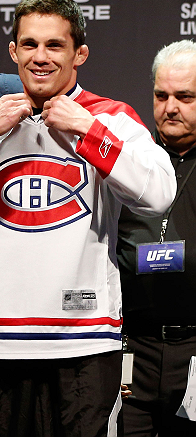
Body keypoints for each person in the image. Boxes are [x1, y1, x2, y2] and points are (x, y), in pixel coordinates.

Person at [0, 0, 176, 437]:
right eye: (29, 44)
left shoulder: (111, 117)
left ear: (79, 53)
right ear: (13, 51)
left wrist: (88, 131)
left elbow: (159, 193)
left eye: (55, 45)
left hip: (84, 342)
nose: (40, 57)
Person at [117, 39, 196, 436]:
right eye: (161, 95)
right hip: (135, 349)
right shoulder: (133, 159)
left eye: (185, 96)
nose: (170, 107)